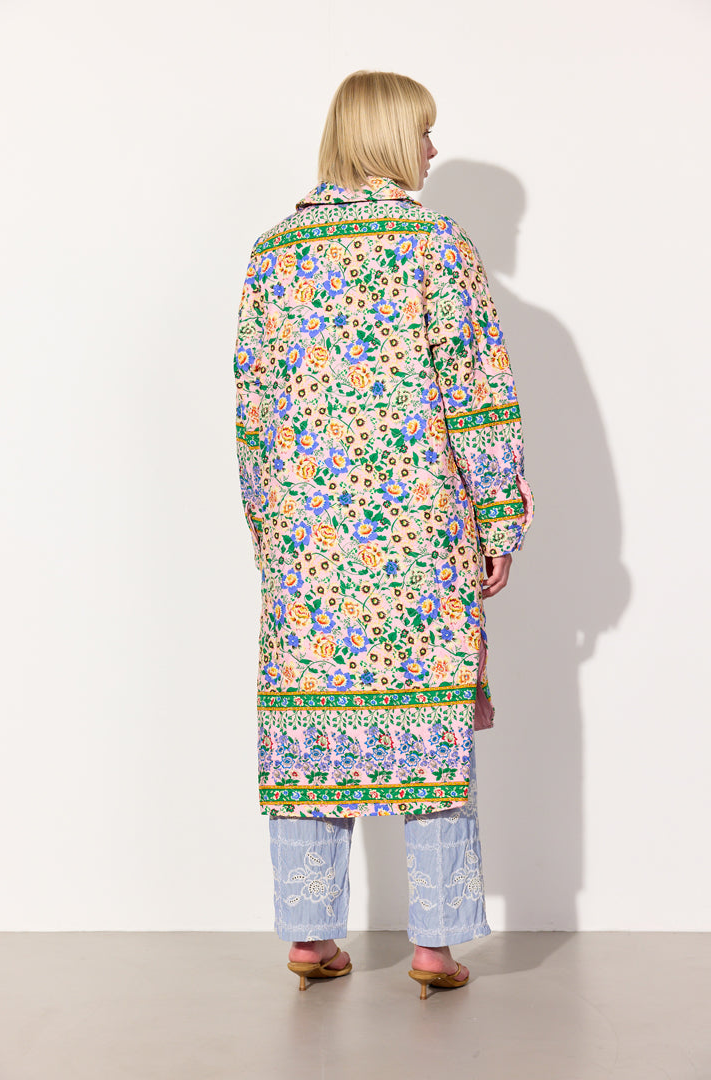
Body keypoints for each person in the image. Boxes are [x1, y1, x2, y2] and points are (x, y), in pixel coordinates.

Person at [233, 70, 535, 998]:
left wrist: (271, 533)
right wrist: (499, 515)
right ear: (389, 138)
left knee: (311, 730)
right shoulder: (437, 245)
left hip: (310, 545)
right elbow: (478, 394)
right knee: (429, 732)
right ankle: (434, 950)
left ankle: (309, 937)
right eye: (424, 132)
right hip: (418, 538)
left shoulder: (276, 251)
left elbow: (254, 412)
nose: (433, 149)